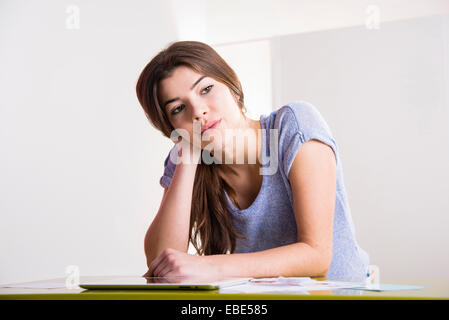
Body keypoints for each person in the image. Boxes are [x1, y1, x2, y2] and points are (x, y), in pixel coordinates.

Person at [136, 40, 369, 282]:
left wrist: (210, 266)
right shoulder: (187, 157)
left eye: (206, 89)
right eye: (178, 108)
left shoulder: (293, 126)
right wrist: (188, 155)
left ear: (232, 87)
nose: (197, 111)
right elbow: (161, 262)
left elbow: (316, 256)